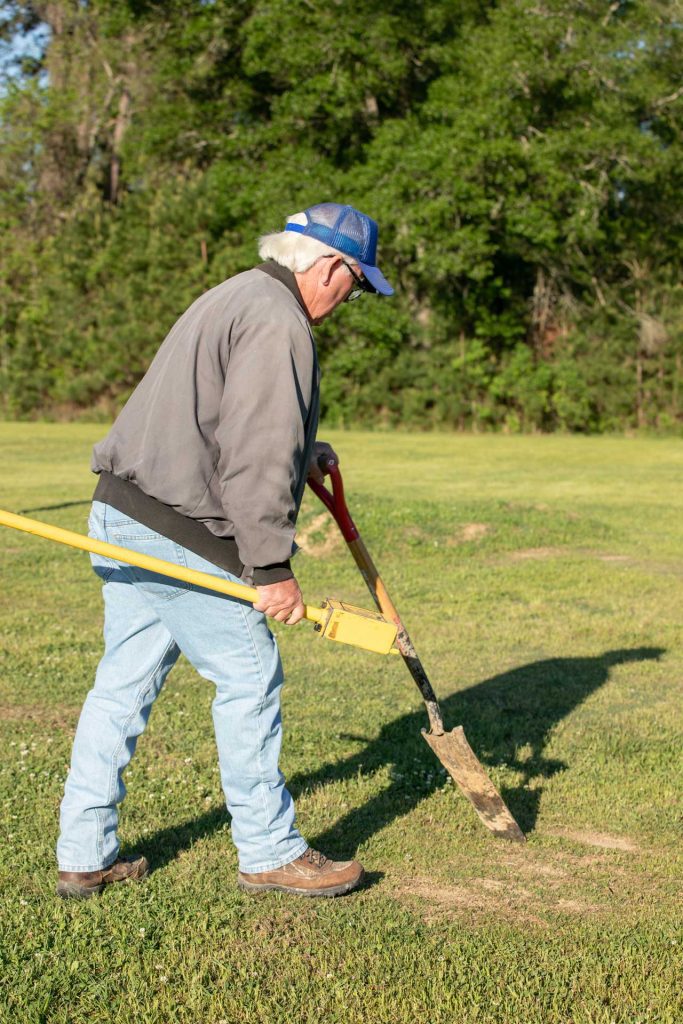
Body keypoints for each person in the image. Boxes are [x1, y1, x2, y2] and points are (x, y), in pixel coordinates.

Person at [55, 203, 394, 900]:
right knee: (247, 678)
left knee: (120, 686)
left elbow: (223, 416)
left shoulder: (235, 292)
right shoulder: (279, 322)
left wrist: (305, 449)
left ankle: (82, 853)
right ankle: (269, 851)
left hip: (123, 510)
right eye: (356, 285)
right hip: (186, 529)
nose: (349, 300)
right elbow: (254, 452)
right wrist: (270, 568)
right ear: (330, 266)